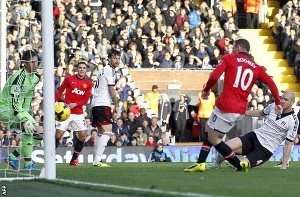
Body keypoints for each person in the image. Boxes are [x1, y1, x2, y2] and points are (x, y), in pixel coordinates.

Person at [184, 38, 282, 173]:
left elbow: (214, 76)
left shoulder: (230, 58)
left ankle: (238, 165)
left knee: (214, 139)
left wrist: (206, 91)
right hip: (239, 110)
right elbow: (271, 83)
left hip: (227, 106)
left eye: (233, 47)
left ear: (237, 47)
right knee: (209, 130)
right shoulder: (256, 67)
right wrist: (277, 102)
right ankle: (200, 163)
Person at [219, 91, 299, 170]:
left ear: (292, 102)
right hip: (254, 137)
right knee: (224, 148)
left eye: (286, 99)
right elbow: (261, 113)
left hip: (265, 149)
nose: (282, 101)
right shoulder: (273, 106)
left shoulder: (293, 121)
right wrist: (242, 112)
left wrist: (283, 166)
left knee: (242, 166)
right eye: (281, 98)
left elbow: (288, 144)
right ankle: (216, 165)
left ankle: (240, 162)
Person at [0, 50, 42, 170]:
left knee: (39, 133)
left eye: (36, 61)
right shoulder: (18, 77)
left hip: (19, 109)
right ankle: (28, 164)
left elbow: (28, 95)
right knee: (29, 128)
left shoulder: (35, 77)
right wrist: (23, 119)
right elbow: (13, 101)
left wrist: (26, 113)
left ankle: (13, 156)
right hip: (5, 109)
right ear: (24, 63)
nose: (35, 64)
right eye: (32, 62)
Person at [55, 61, 93, 166]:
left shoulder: (89, 83)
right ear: (77, 69)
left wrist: (75, 104)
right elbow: (59, 92)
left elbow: (86, 99)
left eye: (83, 68)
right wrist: (53, 102)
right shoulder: (69, 79)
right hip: (65, 111)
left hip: (78, 113)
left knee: (82, 136)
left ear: (86, 70)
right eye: (80, 67)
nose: (81, 69)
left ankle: (74, 160)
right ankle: (50, 157)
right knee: (58, 135)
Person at [91, 49, 121, 167]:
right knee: (108, 132)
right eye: (114, 58)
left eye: (118, 58)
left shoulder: (105, 70)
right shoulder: (109, 70)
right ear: (109, 59)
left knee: (100, 133)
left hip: (96, 103)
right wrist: (117, 104)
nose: (117, 60)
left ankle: (96, 160)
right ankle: (97, 160)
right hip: (102, 103)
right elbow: (111, 89)